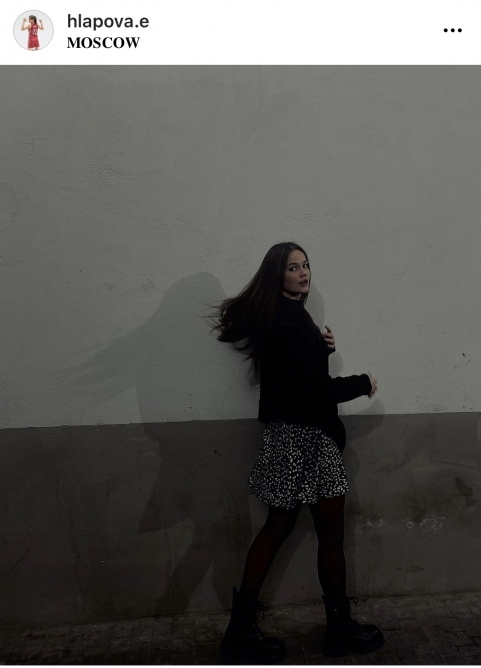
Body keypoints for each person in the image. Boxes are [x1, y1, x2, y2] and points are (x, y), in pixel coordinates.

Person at [206, 241, 384, 663]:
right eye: (293, 267)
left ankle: (311, 627)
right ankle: (324, 629)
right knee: (299, 529)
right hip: (302, 438)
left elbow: (296, 376)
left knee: (298, 528)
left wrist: (321, 350)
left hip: (300, 436)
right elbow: (311, 390)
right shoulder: (286, 319)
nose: (303, 273)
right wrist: (362, 382)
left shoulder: (286, 315)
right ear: (277, 274)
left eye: (305, 265)